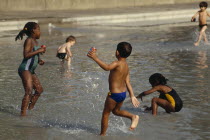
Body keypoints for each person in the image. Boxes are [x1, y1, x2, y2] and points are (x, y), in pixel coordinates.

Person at [87, 42, 140, 136]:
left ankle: (102, 135)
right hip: (122, 94)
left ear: (117, 52)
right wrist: (132, 95)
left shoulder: (117, 63)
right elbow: (127, 82)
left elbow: (107, 67)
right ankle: (133, 116)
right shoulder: (126, 66)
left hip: (114, 95)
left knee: (106, 114)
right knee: (116, 111)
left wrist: (95, 58)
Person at [16, 22, 46, 116]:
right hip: (25, 69)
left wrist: (39, 60)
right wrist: (39, 50)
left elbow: (33, 55)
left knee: (39, 90)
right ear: (34, 30)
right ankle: (23, 115)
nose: (40, 32)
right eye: (39, 30)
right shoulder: (29, 40)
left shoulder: (35, 41)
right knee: (28, 91)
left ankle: (29, 109)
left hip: (30, 70)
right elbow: (26, 55)